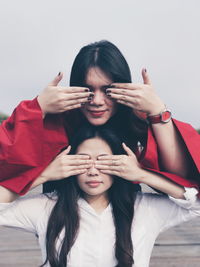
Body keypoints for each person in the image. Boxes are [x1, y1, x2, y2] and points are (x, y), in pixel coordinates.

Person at [0, 40, 199, 195]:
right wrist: (38, 108)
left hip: (127, 223)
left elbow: (182, 177)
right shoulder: (58, 120)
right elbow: (7, 167)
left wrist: (157, 112)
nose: (97, 100)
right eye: (88, 89)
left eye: (107, 90)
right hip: (58, 222)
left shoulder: (135, 120)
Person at [0, 125, 200, 267]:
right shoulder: (47, 206)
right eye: (83, 161)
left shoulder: (145, 209)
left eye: (104, 162)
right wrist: (44, 175)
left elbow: (196, 203)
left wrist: (142, 174)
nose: (93, 171)